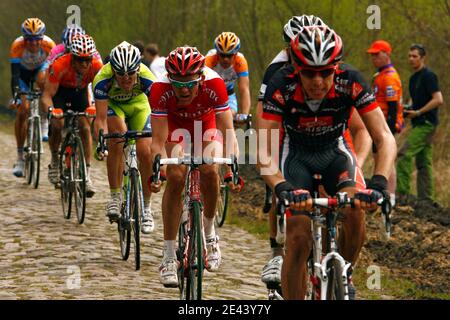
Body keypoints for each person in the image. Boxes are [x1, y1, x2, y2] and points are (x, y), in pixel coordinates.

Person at [257, 25, 396, 300]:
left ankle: (343, 274)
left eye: (326, 73)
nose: (318, 81)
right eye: (309, 72)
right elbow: (263, 152)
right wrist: (282, 187)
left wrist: (378, 181)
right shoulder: (280, 85)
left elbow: (384, 136)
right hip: (295, 156)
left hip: (335, 152)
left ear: (337, 67)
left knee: (355, 210)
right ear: (296, 67)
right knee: (298, 235)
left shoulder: (352, 80)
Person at [149, 46, 243, 287]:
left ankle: (210, 234)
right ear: (169, 79)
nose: (184, 90)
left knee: (211, 169)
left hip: (205, 126)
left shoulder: (215, 84)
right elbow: (158, 140)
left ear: (200, 78)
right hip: (175, 129)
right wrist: (158, 169)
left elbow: (228, 132)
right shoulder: (159, 89)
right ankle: (169, 256)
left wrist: (232, 167)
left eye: (189, 83)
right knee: (176, 176)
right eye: (177, 84)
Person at [93, 41, 157, 234]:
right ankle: (114, 197)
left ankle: (146, 207)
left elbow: (159, 114)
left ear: (138, 69)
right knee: (117, 139)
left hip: (139, 106)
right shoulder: (102, 79)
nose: (127, 79)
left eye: (131, 73)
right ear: (113, 71)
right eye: (121, 74)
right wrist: (101, 141)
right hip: (115, 106)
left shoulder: (148, 78)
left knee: (145, 151)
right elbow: (101, 119)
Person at [41, 34, 102, 197]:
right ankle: (55, 160)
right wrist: (52, 111)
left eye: (87, 59)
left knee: (85, 127)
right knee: (57, 124)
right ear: (72, 57)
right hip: (60, 93)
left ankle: (86, 174)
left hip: (80, 93)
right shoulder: (60, 65)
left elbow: (101, 93)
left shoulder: (96, 67)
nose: (84, 64)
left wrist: (94, 107)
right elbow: (47, 95)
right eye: (80, 59)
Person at [396, 44, 444, 206]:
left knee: (403, 154)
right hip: (418, 123)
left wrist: (419, 112)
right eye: (409, 56)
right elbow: (413, 100)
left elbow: (438, 99)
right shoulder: (413, 78)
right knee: (423, 162)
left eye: (414, 56)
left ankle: (402, 193)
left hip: (426, 123)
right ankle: (426, 199)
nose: (411, 59)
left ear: (423, 58)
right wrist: (407, 109)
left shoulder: (429, 76)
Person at [9, 18, 55, 177]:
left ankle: (43, 121)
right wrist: (16, 94)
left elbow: (53, 74)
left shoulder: (50, 45)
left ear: (42, 38)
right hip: (22, 76)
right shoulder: (17, 46)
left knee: (43, 78)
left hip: (40, 72)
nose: (33, 43)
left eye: (37, 39)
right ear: (24, 38)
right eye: (29, 39)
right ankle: (20, 157)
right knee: (23, 111)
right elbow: (14, 75)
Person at [367, 40, 403, 208]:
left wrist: (388, 129)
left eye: (377, 54)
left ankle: (390, 196)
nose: (374, 58)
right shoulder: (379, 75)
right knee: (378, 159)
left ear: (387, 54)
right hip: (377, 124)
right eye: (372, 55)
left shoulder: (389, 77)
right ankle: (382, 195)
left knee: (387, 159)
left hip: (386, 124)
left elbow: (393, 106)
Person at [205, 32, 251, 116]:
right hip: (210, 94)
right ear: (217, 53)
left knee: (229, 115)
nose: (225, 59)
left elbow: (244, 89)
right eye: (222, 55)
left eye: (229, 56)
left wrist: (245, 115)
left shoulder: (240, 61)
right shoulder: (209, 60)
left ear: (235, 54)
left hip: (228, 94)